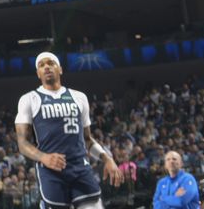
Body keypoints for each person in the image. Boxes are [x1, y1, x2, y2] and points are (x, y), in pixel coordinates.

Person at [15, 53, 123, 209]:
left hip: (79, 166)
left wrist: (107, 159)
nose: (46, 67)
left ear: (60, 69)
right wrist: (43, 157)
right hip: (51, 170)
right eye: (42, 65)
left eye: (51, 63)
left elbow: (87, 139)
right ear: (38, 73)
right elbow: (22, 143)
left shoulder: (79, 97)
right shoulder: (29, 99)